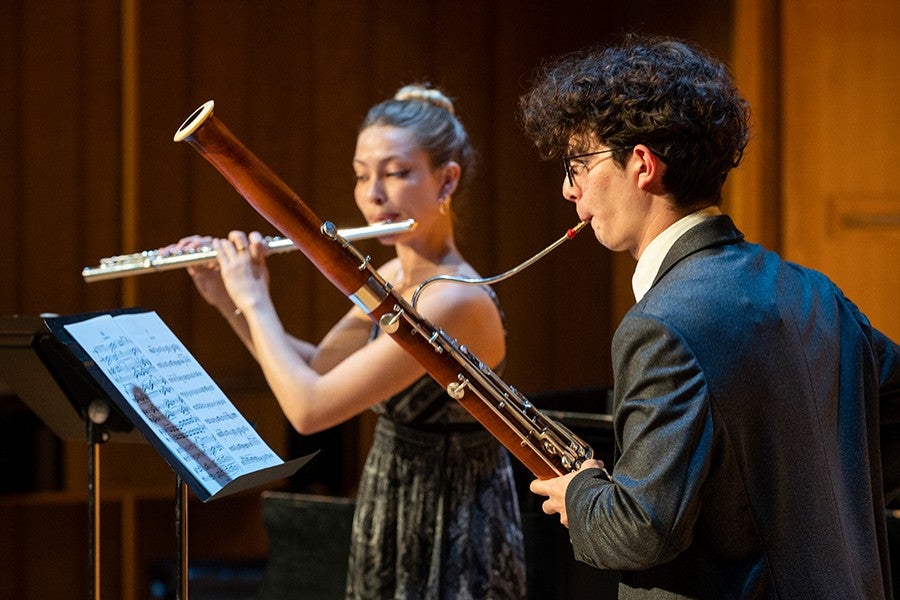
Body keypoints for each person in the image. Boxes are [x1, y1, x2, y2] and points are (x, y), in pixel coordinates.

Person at [519, 35, 900, 599]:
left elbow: (641, 532)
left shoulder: (661, 325)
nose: (569, 189)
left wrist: (582, 493)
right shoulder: (817, 293)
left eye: (579, 163)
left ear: (642, 165)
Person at [173, 85, 527, 599]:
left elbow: (310, 409)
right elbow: (320, 368)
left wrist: (254, 299)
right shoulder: (390, 272)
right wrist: (226, 299)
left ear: (446, 180)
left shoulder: (452, 300)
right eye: (362, 175)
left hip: (451, 525)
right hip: (390, 503)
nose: (372, 196)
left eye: (396, 173)